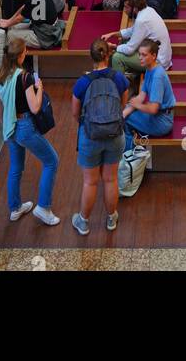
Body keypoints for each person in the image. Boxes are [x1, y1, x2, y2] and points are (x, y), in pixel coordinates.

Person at [0, 35, 60, 226]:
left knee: (16, 167)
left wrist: (5, 124)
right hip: (25, 125)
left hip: (10, 126)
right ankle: (43, 208)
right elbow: (35, 107)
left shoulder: (0, 75)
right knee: (51, 161)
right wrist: (39, 88)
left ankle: (15, 208)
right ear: (22, 55)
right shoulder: (25, 77)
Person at [71, 38, 130, 235]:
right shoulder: (119, 78)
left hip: (90, 135)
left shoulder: (82, 83)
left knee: (90, 182)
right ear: (108, 55)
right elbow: (122, 105)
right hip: (115, 134)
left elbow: (75, 113)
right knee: (111, 179)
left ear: (92, 57)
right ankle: (111, 219)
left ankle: (84, 222)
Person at [122, 39, 176, 148]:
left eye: (144, 55)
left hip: (162, 121)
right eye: (139, 54)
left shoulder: (157, 76)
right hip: (158, 115)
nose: (140, 58)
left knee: (126, 120)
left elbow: (153, 109)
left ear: (153, 56)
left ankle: (129, 155)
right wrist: (125, 111)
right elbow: (141, 97)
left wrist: (132, 107)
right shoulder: (149, 69)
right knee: (124, 114)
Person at [110, 0, 172, 75]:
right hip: (162, 57)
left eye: (126, 7)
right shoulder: (148, 10)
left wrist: (114, 47)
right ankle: (129, 74)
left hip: (158, 63)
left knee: (117, 57)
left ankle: (121, 86)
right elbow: (133, 30)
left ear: (135, 8)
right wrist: (112, 34)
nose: (124, 10)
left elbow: (129, 49)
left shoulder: (141, 21)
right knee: (124, 42)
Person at [0, 0, 65, 49]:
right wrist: (9, 21)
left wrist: (6, 24)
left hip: (47, 36)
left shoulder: (32, 1)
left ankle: (12, 57)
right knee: (13, 26)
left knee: (10, 34)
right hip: (48, 27)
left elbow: (19, 19)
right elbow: (24, 7)